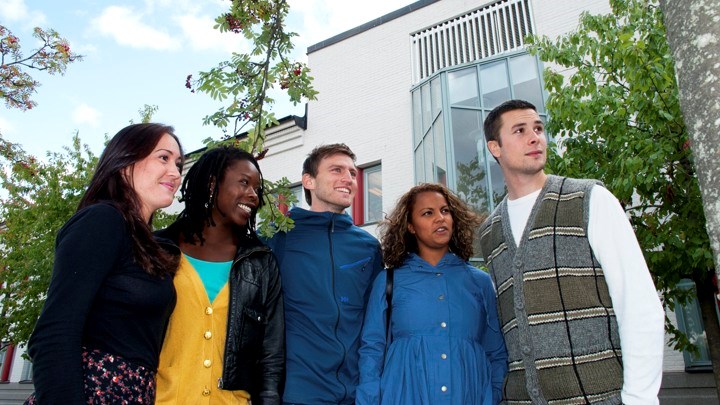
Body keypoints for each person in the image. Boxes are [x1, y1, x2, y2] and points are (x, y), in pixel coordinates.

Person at [478, 99, 665, 404]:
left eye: (538, 128)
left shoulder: (590, 199)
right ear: (495, 148)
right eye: (520, 130)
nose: (535, 137)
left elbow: (638, 304)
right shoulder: (489, 232)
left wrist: (640, 398)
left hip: (600, 396)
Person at [25, 123, 184, 404]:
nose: (175, 172)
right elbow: (54, 333)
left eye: (179, 164)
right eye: (164, 157)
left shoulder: (149, 245)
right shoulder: (103, 220)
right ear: (125, 162)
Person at [356, 183, 508, 405]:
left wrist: (492, 395)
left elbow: (496, 352)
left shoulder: (480, 282)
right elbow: (372, 349)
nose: (440, 218)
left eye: (445, 211)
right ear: (411, 226)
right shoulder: (389, 281)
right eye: (427, 213)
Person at [154, 146, 284, 404]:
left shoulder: (260, 262)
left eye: (257, 189)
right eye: (244, 183)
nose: (253, 196)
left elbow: (271, 355)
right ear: (212, 184)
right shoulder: (158, 249)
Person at [265, 143, 383, 404]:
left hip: (355, 394)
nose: (348, 179)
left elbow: (376, 322)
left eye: (352, 173)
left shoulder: (368, 246)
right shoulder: (278, 238)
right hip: (297, 394)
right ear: (309, 181)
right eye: (336, 170)